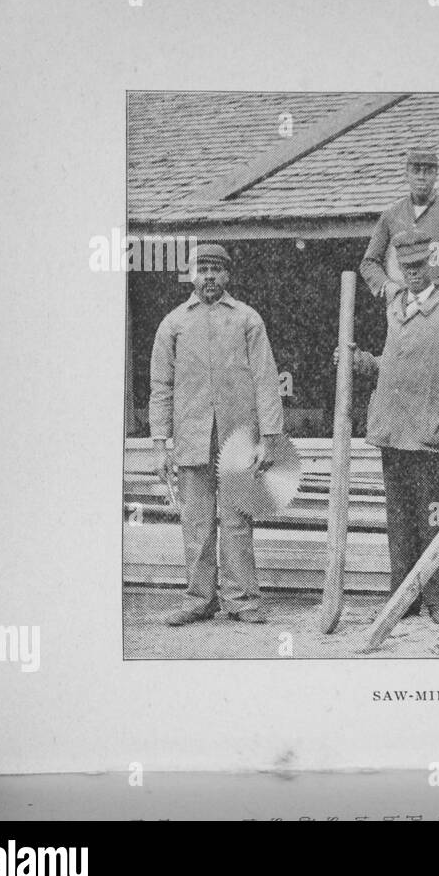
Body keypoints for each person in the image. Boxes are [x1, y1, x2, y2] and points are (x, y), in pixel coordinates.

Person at [339, 230, 439, 624]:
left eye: (420, 266)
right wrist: (363, 361)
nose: (414, 274)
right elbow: (395, 365)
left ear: (433, 265)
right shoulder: (394, 307)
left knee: (433, 519)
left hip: (432, 435)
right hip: (394, 431)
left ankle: (438, 599)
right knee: (398, 521)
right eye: (406, 267)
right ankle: (403, 596)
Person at [150, 243, 284, 626]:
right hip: (192, 438)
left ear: (228, 275)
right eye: (201, 269)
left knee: (238, 518)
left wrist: (269, 438)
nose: (208, 277)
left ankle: (241, 599)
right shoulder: (173, 324)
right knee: (197, 520)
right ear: (191, 275)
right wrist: (160, 444)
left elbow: (265, 381)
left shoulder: (247, 320)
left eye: (216, 270)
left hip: (237, 439)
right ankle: (199, 598)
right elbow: (161, 387)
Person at [358, 148, 439, 302]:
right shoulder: (392, 215)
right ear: (407, 174)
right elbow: (369, 262)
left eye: (428, 172)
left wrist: (435, 290)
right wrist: (387, 285)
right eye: (416, 171)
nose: (421, 177)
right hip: (401, 304)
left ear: (436, 175)